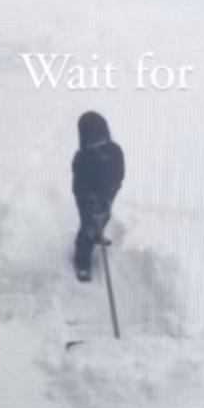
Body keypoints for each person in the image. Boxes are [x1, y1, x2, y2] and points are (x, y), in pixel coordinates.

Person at [71, 111, 124, 283]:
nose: (97, 147)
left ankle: (97, 234)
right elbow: (79, 185)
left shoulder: (115, 152)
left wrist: (108, 195)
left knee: (105, 217)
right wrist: (89, 202)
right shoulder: (81, 159)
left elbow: (118, 175)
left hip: (107, 193)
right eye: (92, 144)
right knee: (88, 227)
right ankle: (82, 261)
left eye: (101, 142)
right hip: (87, 198)